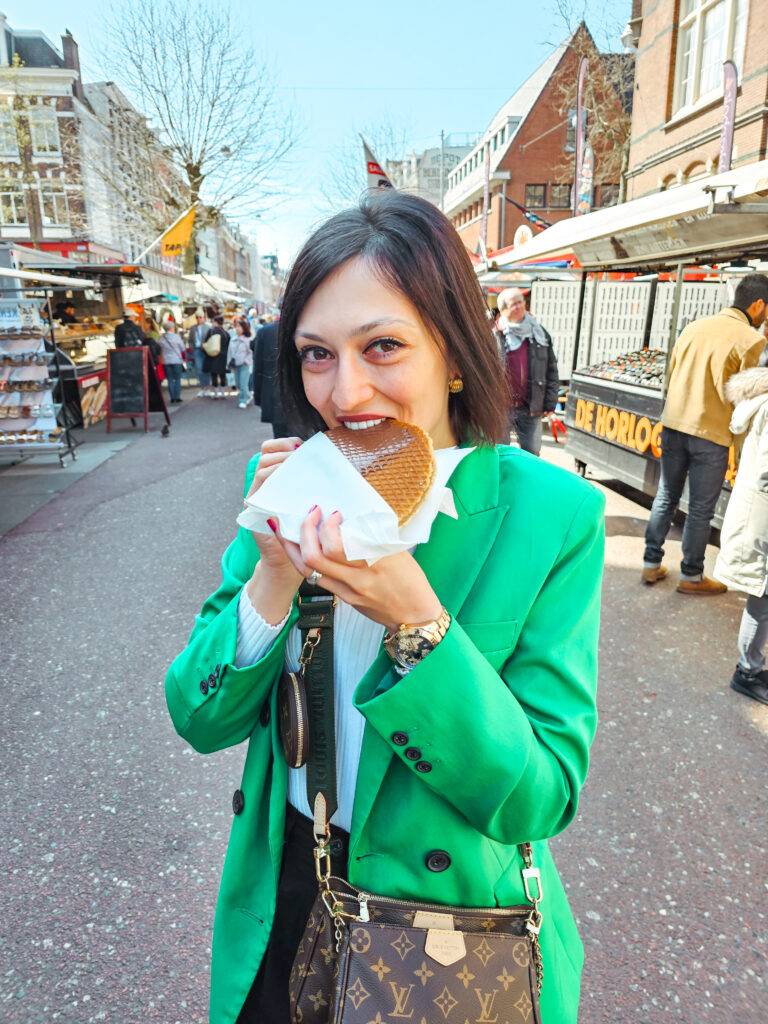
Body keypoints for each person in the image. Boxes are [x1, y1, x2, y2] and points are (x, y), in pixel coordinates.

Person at [165, 191, 605, 1024]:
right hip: (292, 882)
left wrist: (421, 625)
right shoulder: (287, 488)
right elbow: (198, 716)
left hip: (454, 926)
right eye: (317, 355)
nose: (346, 391)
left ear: (455, 352)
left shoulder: (550, 517)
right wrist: (272, 578)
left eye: (383, 346)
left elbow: (540, 798)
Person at [642, 274, 768, 594]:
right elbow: (745, 399)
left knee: (666, 496)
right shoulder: (752, 341)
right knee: (700, 507)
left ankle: (651, 564)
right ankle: (691, 576)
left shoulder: (694, 327)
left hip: (673, 424)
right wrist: (741, 452)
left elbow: (671, 375)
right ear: (757, 305)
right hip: (710, 434)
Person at [713, 366, 768, 705]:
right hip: (760, 515)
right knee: (761, 595)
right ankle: (746, 671)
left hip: (758, 511)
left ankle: (751, 665)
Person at [496, 287, 560, 456]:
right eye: (513, 304)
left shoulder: (539, 333)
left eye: (520, 302)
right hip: (501, 407)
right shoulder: (495, 335)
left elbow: (551, 370)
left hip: (531, 406)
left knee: (532, 455)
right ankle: (504, 482)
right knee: (500, 454)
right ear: (503, 310)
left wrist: (550, 403)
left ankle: (525, 483)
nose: (518, 306)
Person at [252, 320, 303, 438]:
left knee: (280, 439)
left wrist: (258, 397)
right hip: (301, 395)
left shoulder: (265, 332)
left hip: (274, 394)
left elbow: (258, 367)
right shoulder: (305, 329)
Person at [202, 315, 231, 399]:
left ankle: (216, 394)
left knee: (214, 375)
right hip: (223, 357)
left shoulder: (211, 331)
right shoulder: (226, 333)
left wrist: (206, 352)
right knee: (222, 375)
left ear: (215, 322)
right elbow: (228, 345)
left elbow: (205, 343)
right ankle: (223, 393)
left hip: (212, 356)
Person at [228, 317, 254, 409]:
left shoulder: (248, 340)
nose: (237, 328)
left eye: (239, 326)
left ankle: (243, 400)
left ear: (244, 328)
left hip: (244, 364)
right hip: (235, 364)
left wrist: (246, 361)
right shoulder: (233, 339)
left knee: (243, 384)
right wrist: (228, 363)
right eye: (236, 326)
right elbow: (230, 352)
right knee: (238, 384)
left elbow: (250, 352)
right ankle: (248, 395)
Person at [159, 322, 187, 404]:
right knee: (177, 379)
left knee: (170, 379)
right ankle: (177, 397)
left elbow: (159, 348)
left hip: (166, 361)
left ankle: (172, 398)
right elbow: (182, 348)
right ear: (172, 328)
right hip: (176, 360)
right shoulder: (176, 337)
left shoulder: (162, 338)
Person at [188, 311, 211, 394]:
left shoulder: (208, 328)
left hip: (206, 350)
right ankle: (203, 387)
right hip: (197, 350)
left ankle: (207, 387)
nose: (199, 319)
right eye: (197, 317)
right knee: (199, 369)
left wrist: (206, 345)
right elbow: (190, 340)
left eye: (200, 317)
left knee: (206, 369)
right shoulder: (193, 328)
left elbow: (211, 339)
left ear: (204, 318)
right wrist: (191, 347)